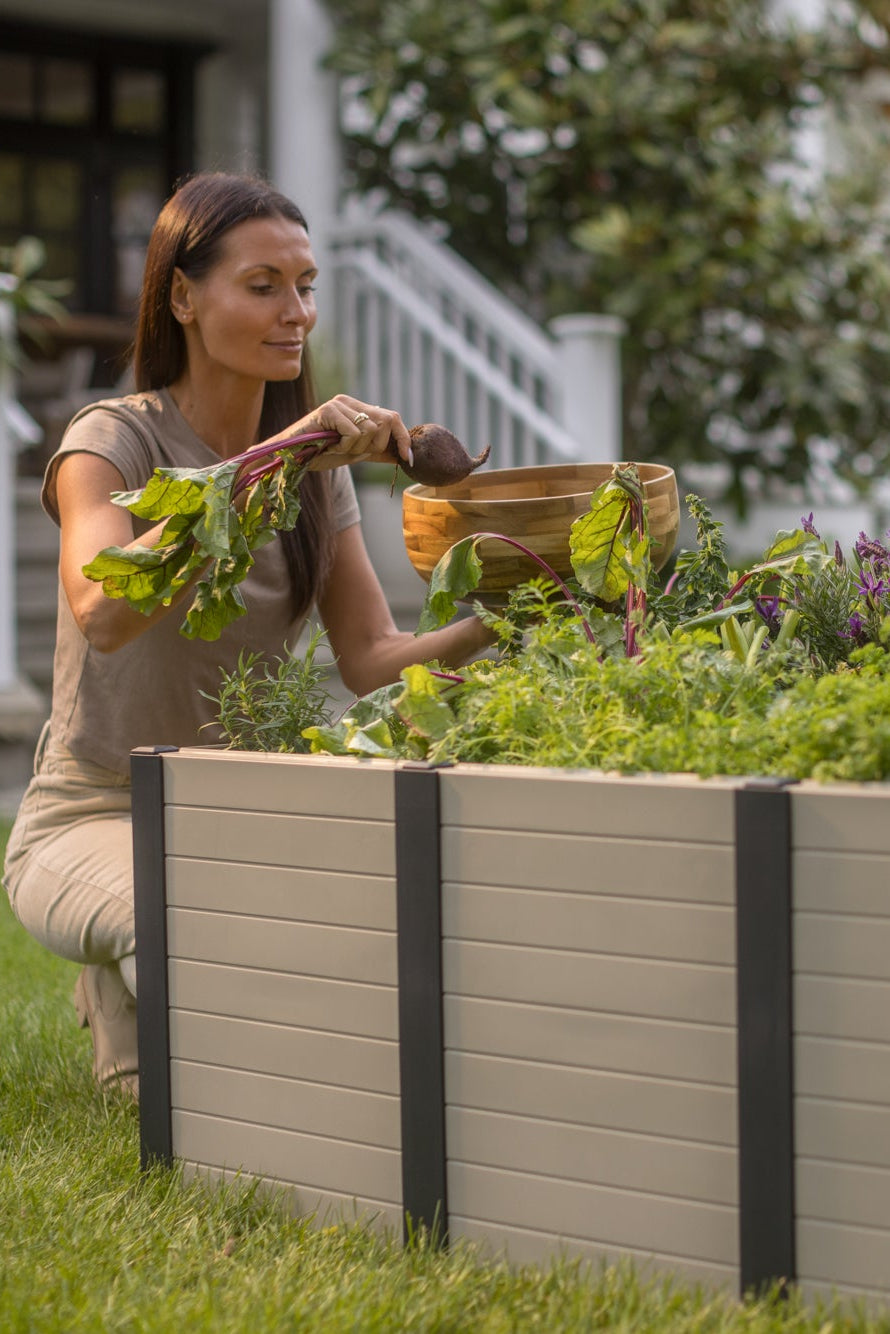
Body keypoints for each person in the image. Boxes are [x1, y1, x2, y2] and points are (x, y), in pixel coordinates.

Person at [2, 171, 496, 1100]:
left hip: (237, 814)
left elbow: (371, 662)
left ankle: (131, 982)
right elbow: (103, 612)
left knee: (364, 951)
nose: (296, 311)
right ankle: (132, 954)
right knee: (202, 958)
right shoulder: (110, 441)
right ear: (183, 297)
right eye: (263, 285)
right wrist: (278, 454)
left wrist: (497, 614)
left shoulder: (318, 478)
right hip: (88, 813)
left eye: (305, 286)